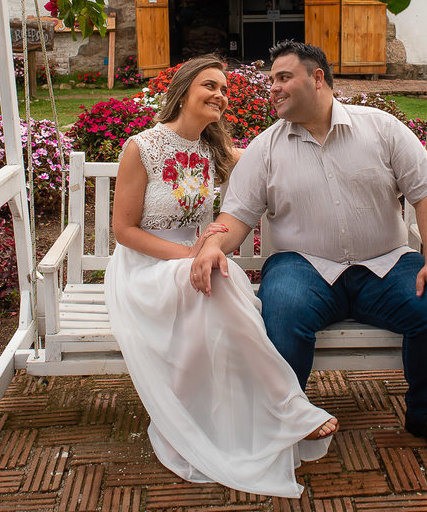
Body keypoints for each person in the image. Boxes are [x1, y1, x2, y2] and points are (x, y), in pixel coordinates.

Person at [191, 41, 427, 464]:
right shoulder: (266, 148)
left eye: (283, 77)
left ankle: (425, 414)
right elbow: (237, 215)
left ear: (317, 78)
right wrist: (213, 244)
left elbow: (426, 194)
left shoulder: (381, 128)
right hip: (303, 267)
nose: (273, 88)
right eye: (271, 80)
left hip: (385, 265)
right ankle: (289, 417)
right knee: (282, 310)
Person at [105, 54, 337, 498]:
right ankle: (288, 405)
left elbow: (273, 157)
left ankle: (221, 416)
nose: (220, 95)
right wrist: (189, 255)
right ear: (183, 92)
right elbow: (124, 231)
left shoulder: (214, 151)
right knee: (218, 278)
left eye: (225, 89)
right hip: (145, 269)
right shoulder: (142, 147)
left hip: (193, 266)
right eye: (210, 86)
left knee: (217, 281)